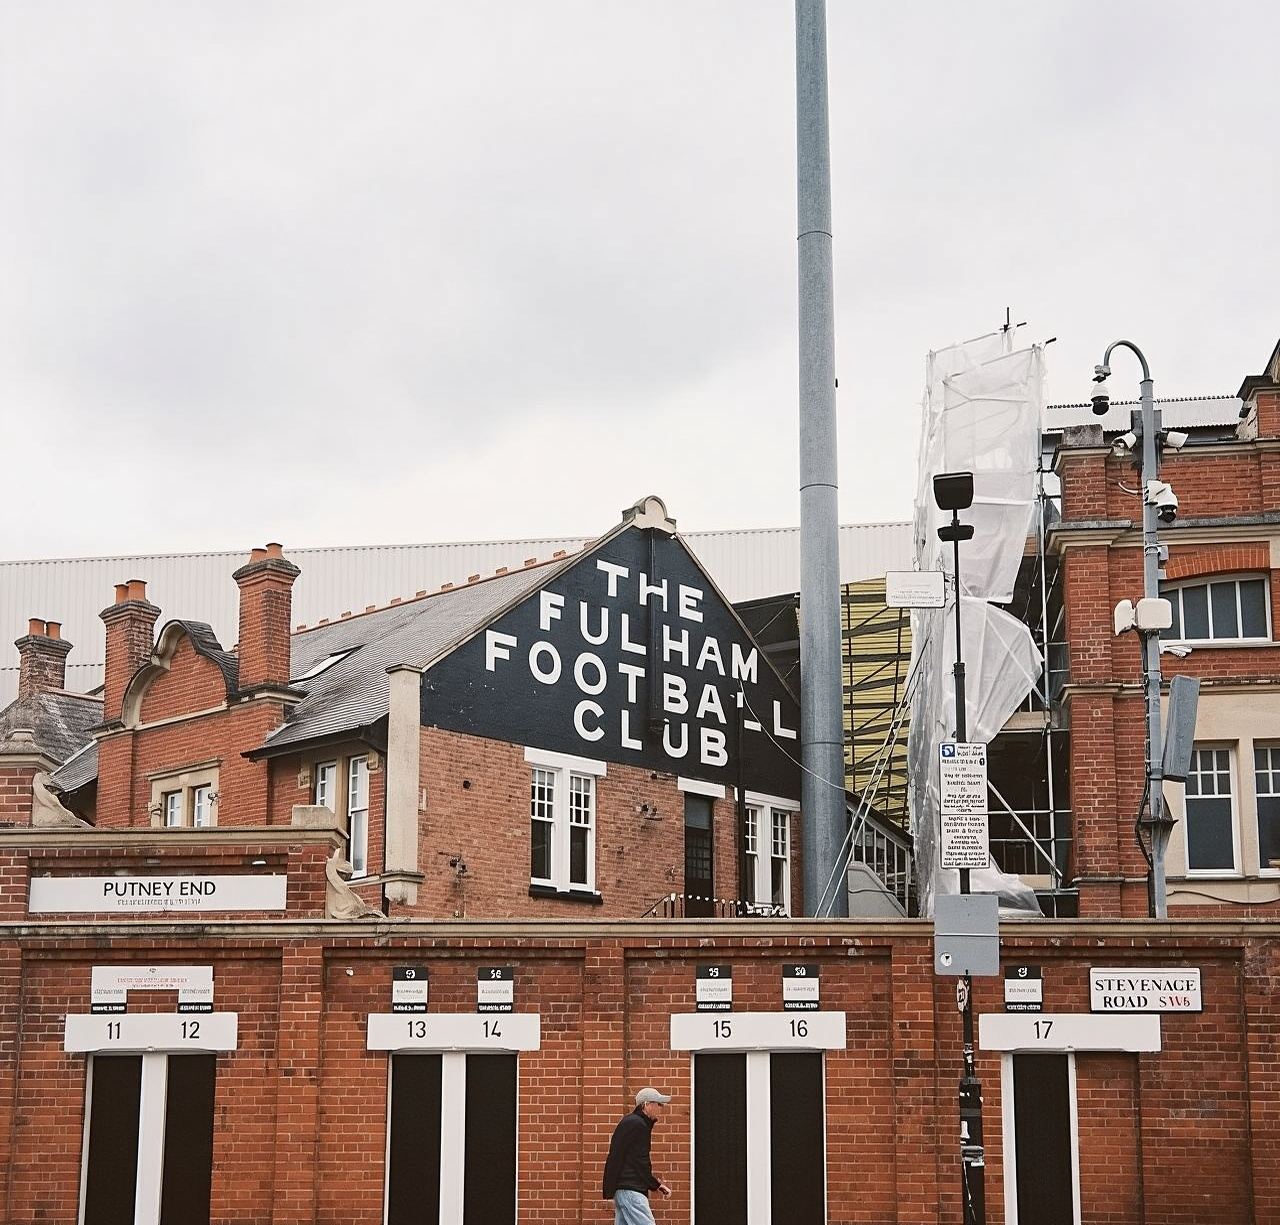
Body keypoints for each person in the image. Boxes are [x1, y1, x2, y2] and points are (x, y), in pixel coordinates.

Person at [602, 1086, 673, 1223]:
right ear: (646, 1105)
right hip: (631, 1191)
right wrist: (654, 1184)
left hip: (623, 1189)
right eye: (658, 1104)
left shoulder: (630, 1122)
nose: (661, 1108)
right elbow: (640, 1161)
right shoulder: (639, 1125)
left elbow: (621, 1157)